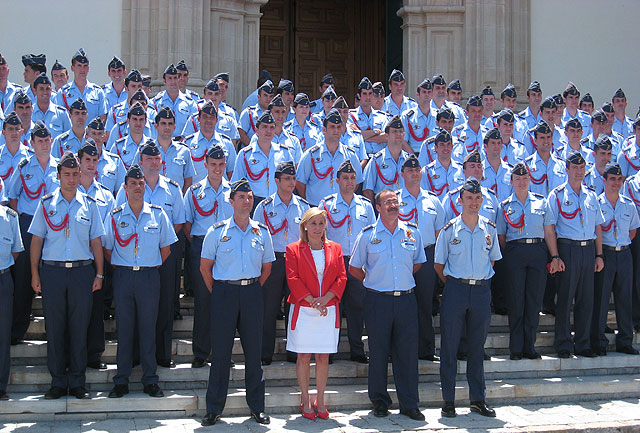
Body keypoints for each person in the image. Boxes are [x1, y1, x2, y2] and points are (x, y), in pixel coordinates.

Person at [28, 151, 105, 400]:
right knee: (55, 327)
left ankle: (78, 382)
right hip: (53, 272)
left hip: (83, 272)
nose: (71, 179)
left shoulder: (90, 205)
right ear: (58, 176)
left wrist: (100, 274)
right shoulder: (46, 203)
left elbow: (96, 242)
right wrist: (34, 273)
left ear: (80, 174)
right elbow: (37, 241)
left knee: (79, 328)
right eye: (67, 174)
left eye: (75, 174)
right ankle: (58, 382)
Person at [200, 178, 274, 426]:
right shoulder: (216, 231)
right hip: (224, 294)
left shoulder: (261, 232)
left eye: (250, 197)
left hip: (251, 293)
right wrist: (221, 290)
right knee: (220, 353)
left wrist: (250, 289)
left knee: (254, 353)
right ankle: (213, 408)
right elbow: (205, 267)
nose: (247, 200)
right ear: (231, 202)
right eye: (241, 197)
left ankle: (257, 407)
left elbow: (266, 267)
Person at [349, 189, 427, 421]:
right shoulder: (367, 235)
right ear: (378, 208)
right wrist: (375, 282)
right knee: (379, 353)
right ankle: (380, 402)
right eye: (388, 202)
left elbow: (417, 263)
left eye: (396, 201)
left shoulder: (412, 233)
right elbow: (354, 268)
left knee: (407, 354)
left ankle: (409, 403)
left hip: (405, 300)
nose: (393, 205)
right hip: (377, 301)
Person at [104, 164, 177, 399]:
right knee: (124, 329)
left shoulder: (158, 214)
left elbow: (166, 249)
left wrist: (149, 263)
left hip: (149, 276)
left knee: (148, 329)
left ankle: (150, 379)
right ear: (124, 188)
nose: (137, 187)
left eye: (141, 183)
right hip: (124, 276)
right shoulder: (115, 216)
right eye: (133, 184)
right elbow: (108, 250)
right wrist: (124, 264)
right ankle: (121, 380)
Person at [434, 177, 501, 418]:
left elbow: (492, 259)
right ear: (459, 201)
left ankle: (477, 399)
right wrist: (457, 284)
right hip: (456, 290)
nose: (473, 203)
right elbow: (439, 265)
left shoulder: (489, 229)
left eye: (477, 199)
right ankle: (448, 401)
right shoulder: (449, 230)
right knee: (450, 347)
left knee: (476, 348)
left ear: (482, 200)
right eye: (468, 199)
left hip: (481, 291)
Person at [285, 207, 347, 420]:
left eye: (321, 223)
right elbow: (292, 279)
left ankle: (320, 398)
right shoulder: (293, 249)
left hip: (327, 310)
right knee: (303, 356)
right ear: (304, 225)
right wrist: (312, 300)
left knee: (323, 356)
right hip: (304, 310)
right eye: (313, 223)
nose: (317, 228)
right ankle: (305, 397)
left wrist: (326, 298)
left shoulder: (335, 248)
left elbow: (341, 277)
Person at [546, 150, 605, 358]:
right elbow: (550, 228)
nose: (579, 172)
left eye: (582, 168)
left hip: (587, 249)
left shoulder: (591, 195)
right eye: (575, 168)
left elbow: (598, 227)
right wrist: (555, 256)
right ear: (567, 169)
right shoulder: (557, 194)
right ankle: (563, 342)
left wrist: (599, 254)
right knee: (565, 298)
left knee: (586, 299)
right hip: (567, 248)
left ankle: (583, 342)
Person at [7, 122, 59, 345]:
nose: (44, 144)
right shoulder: (24, 166)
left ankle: (54, 331)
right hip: (28, 226)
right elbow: (13, 196)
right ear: (32, 143)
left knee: (52, 280)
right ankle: (17, 330)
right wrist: (21, 222)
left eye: (47, 140)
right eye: (40, 141)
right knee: (23, 281)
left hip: (54, 226)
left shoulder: (60, 167)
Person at [318, 160, 375, 363]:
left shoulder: (366, 206)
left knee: (357, 308)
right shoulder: (326, 205)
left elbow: (372, 238)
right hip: (334, 263)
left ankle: (357, 350)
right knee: (332, 307)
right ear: (337, 180)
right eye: (345, 178)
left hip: (357, 263)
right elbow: (318, 235)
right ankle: (329, 350)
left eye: (352, 178)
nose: (349, 181)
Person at [254, 161, 309, 364]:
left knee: (295, 309)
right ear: (276, 181)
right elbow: (257, 236)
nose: (291, 182)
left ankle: (294, 351)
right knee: (268, 308)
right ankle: (264, 353)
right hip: (273, 260)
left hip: (296, 262)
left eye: (293, 178)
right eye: (287, 178)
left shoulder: (303, 207)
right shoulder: (264, 207)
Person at [183, 144, 233, 368]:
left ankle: (222, 353)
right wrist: (202, 247)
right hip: (202, 247)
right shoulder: (194, 191)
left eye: (221, 164)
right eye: (213, 164)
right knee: (203, 301)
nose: (217, 168)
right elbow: (187, 224)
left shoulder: (233, 192)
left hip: (226, 249)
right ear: (205, 165)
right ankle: (201, 352)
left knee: (224, 303)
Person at [497, 162, 553, 360]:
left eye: (525, 178)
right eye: (517, 178)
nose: (521, 182)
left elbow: (548, 231)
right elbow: (501, 237)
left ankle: (529, 346)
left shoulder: (541, 202)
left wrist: (554, 256)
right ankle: (516, 348)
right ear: (511, 181)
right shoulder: (504, 206)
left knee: (534, 300)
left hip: (537, 251)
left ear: (530, 180)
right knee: (516, 300)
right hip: (515, 251)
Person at [398, 155, 446, 361]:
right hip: (403, 256)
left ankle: (426, 349)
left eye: (417, 170)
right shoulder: (395, 200)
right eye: (409, 170)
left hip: (427, 255)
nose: (414, 174)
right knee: (402, 305)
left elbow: (439, 233)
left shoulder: (433, 200)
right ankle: (402, 349)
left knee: (426, 303)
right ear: (402, 174)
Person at [591, 162, 640, 355]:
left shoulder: (628, 204)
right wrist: (600, 254)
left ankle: (625, 340)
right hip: (606, 253)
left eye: (619, 179)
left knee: (624, 299)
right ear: (604, 180)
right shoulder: (596, 203)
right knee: (601, 298)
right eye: (612, 179)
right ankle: (599, 341)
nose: (616, 183)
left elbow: (633, 231)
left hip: (624, 253)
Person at [76, 139, 115, 370]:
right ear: (79, 162)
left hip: (98, 260)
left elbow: (109, 231)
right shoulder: (69, 191)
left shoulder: (106, 195)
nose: (91, 164)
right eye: (87, 160)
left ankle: (94, 354)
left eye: (94, 160)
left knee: (96, 308)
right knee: (75, 311)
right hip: (77, 258)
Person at [297, 108, 363, 205]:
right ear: (324, 130)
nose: (336, 130)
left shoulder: (350, 155)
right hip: (316, 208)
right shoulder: (311, 154)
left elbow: (357, 181)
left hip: (341, 208)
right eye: (332, 127)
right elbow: (300, 182)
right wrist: (310, 203)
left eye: (338, 127)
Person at [231, 110, 295, 205]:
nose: (268, 131)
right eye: (264, 127)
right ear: (256, 130)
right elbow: (236, 183)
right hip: (253, 203)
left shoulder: (284, 152)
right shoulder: (245, 154)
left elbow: (292, 180)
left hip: (278, 202)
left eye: (272, 127)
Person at [0, 200, 23, 401]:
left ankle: (0, 385)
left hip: (3, 278)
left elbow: (16, 250)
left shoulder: (10, 217)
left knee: (2, 333)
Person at [362, 115, 410, 202]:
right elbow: (367, 190)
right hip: (385, 208)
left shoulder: (409, 161)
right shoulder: (377, 160)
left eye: (401, 131)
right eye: (394, 131)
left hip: (406, 209)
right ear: (386, 135)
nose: (398, 134)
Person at [55, 49, 107, 125]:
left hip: (92, 135)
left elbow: (102, 117)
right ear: (72, 68)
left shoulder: (98, 92)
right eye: (79, 65)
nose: (82, 69)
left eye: (85, 66)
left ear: (88, 68)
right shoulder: (63, 92)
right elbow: (60, 118)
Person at [151, 64, 198, 137]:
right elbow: (152, 126)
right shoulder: (156, 103)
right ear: (164, 81)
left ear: (179, 79)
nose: (173, 81)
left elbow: (195, 125)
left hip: (183, 145)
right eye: (170, 78)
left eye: (175, 78)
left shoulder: (190, 103)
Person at [347, 77, 388, 155]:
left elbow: (387, 137)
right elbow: (353, 137)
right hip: (361, 159)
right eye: (365, 94)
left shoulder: (382, 116)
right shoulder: (351, 115)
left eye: (370, 93)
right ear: (359, 96)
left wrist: (363, 135)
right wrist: (375, 132)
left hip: (379, 159)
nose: (368, 97)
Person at [401, 78, 437, 155]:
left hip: (435, 157)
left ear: (432, 94)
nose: (427, 95)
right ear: (418, 94)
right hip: (415, 155)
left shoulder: (438, 116)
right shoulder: (408, 117)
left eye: (429, 92)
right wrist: (414, 159)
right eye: (424, 92)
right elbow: (403, 141)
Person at [31, 73, 71, 139]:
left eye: (47, 89)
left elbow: (68, 137)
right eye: (41, 89)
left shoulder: (61, 113)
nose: (45, 92)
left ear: (51, 90)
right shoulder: (29, 112)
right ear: (35, 91)